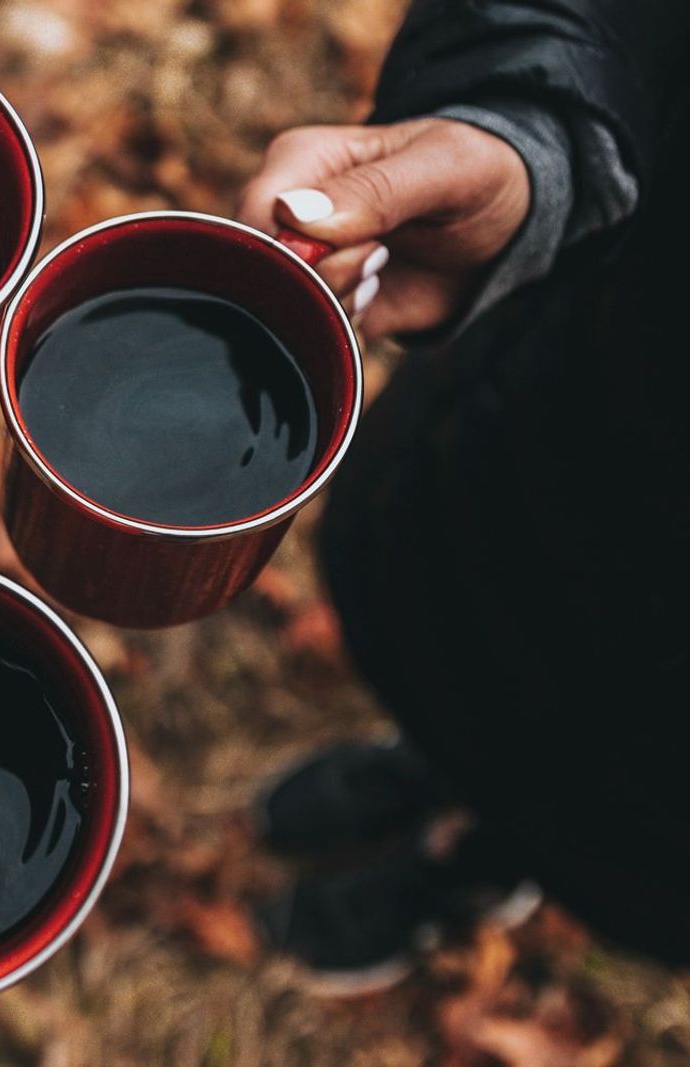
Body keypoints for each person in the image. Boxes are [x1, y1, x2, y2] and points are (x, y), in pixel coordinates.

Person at [234, 0, 690, 988]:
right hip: (575, 434)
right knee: (478, 662)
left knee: (610, 825)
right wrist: (540, 125)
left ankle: (469, 875)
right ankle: (427, 768)